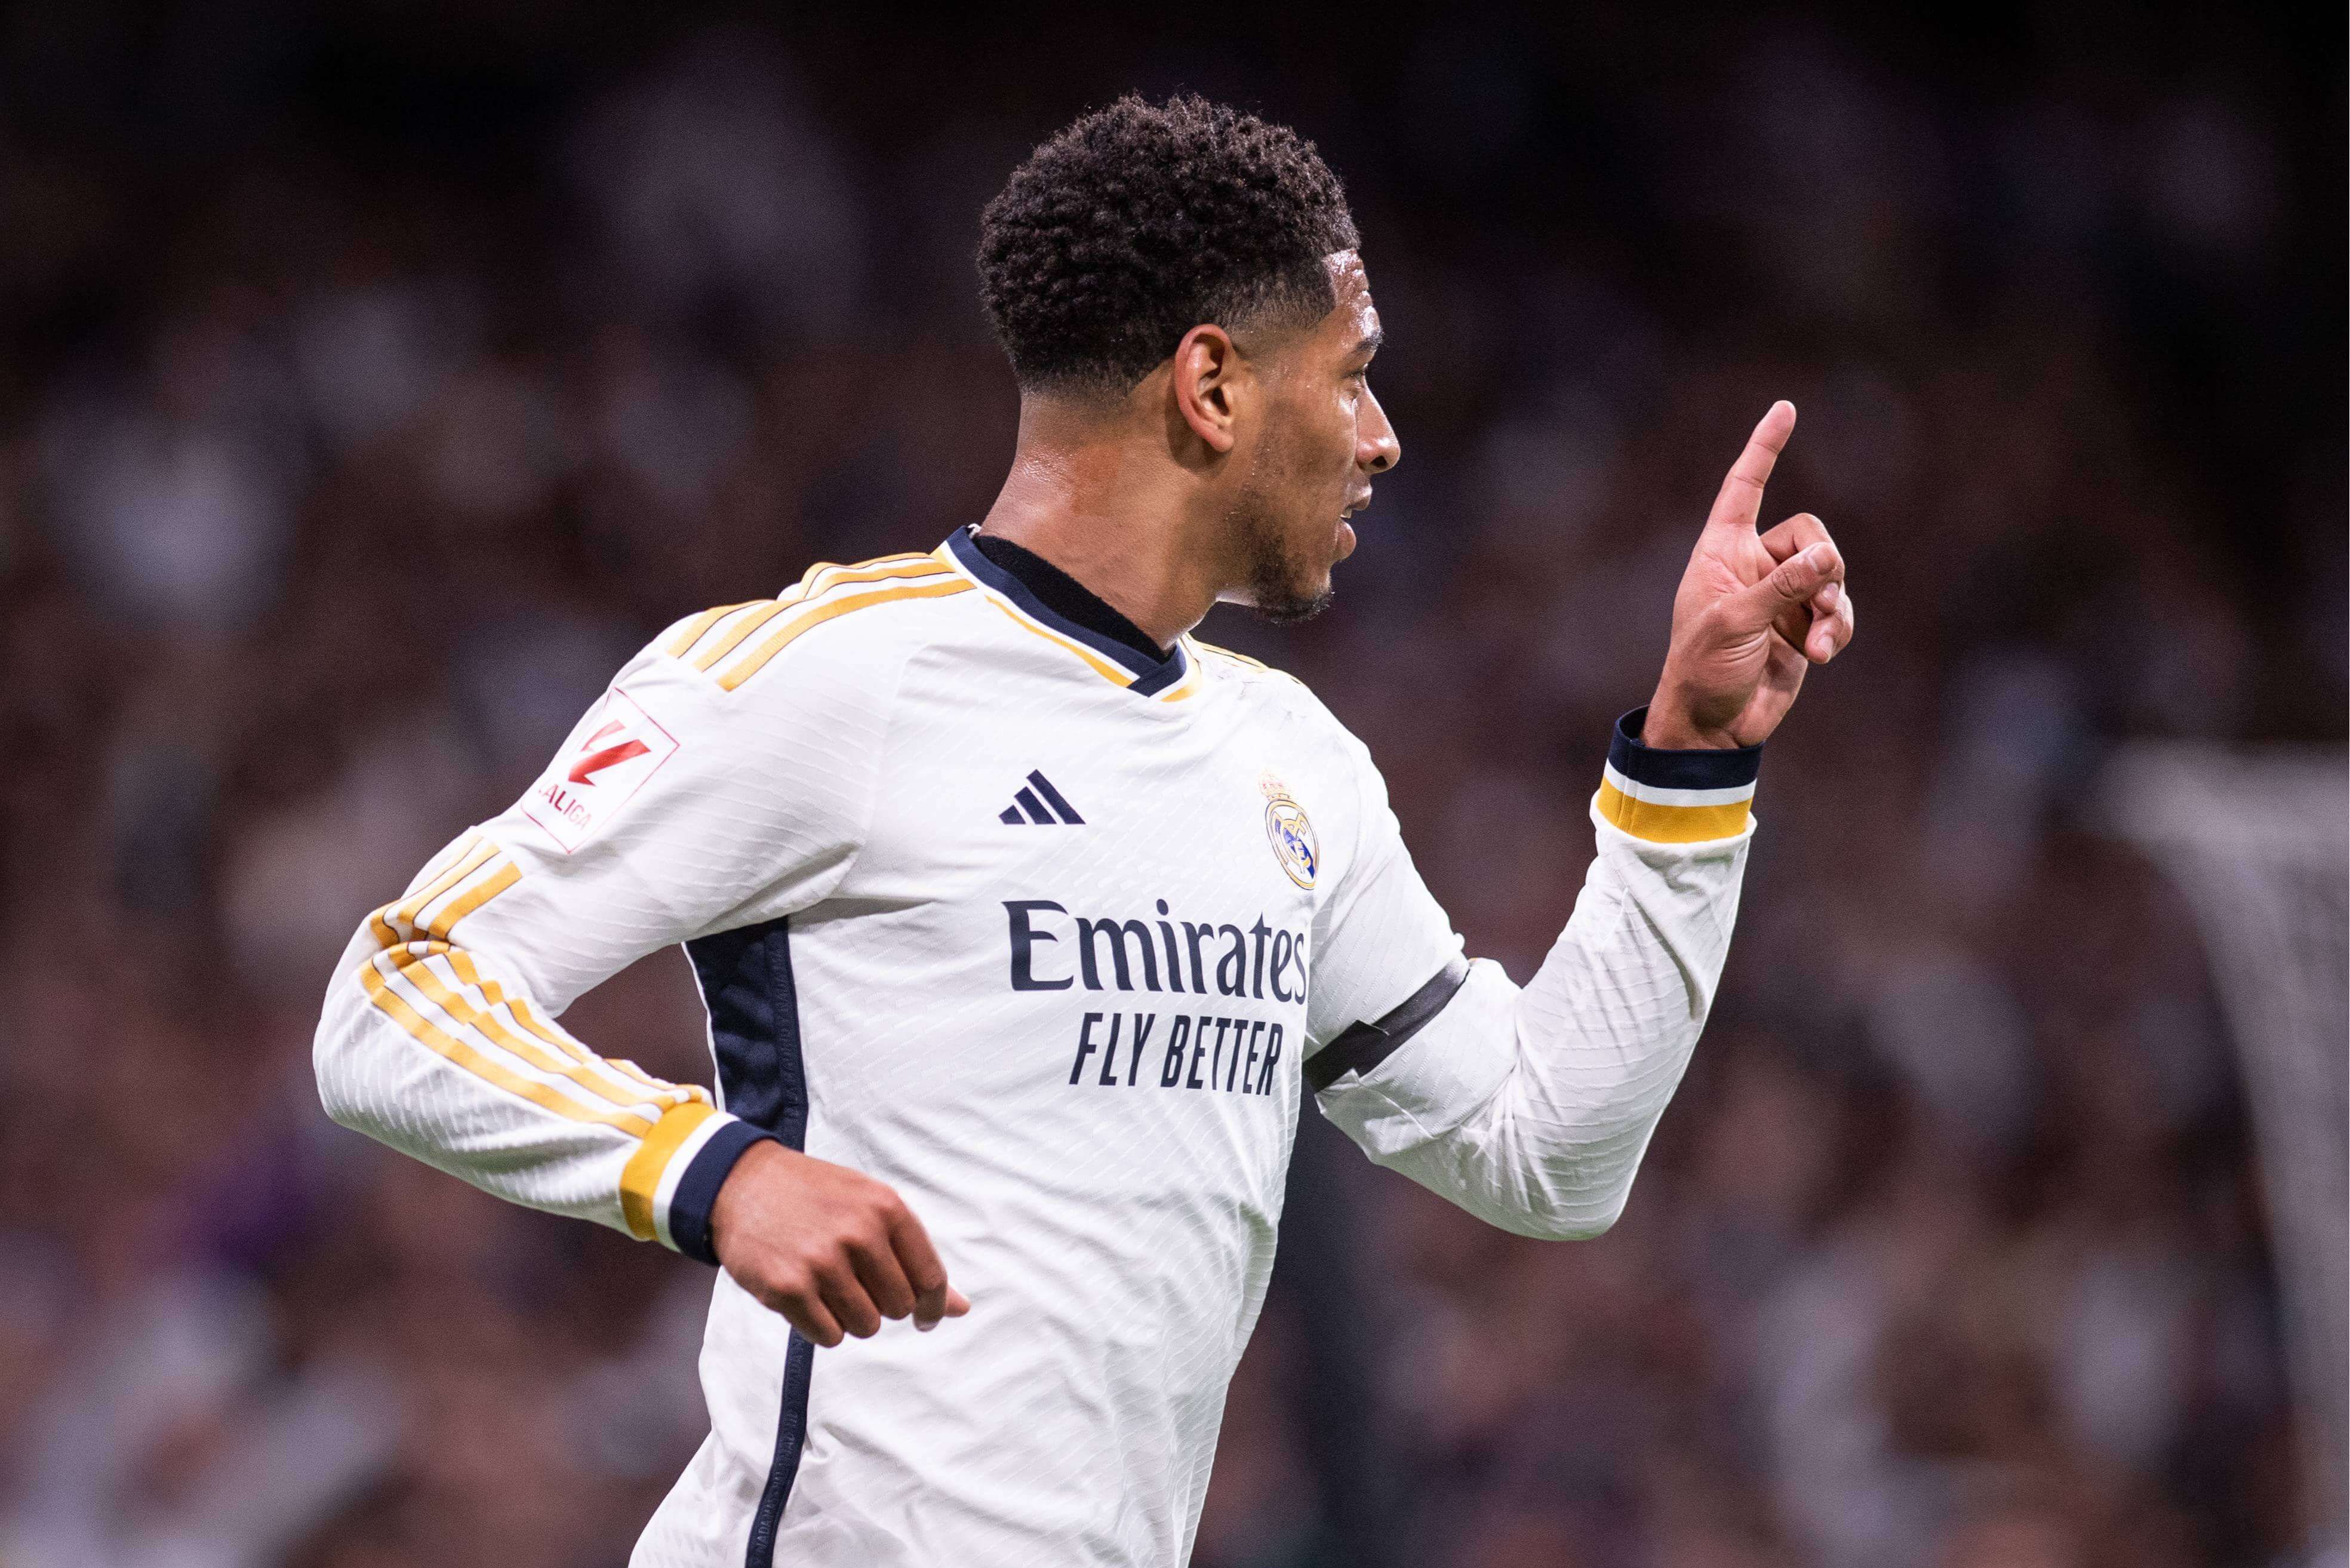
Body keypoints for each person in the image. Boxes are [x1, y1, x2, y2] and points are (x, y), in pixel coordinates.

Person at [311, 93, 1854, 1568]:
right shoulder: (827, 676)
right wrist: (713, 1170)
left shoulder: (1286, 760)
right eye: (1353, 369)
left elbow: (1545, 1148)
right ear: (1212, 384)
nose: (1381, 435)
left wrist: (1689, 768)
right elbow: (396, 999)